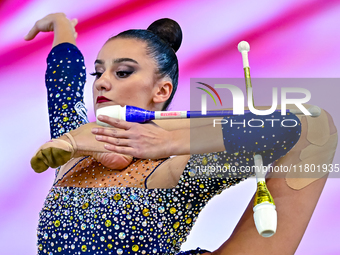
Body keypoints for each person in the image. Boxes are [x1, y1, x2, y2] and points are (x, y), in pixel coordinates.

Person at [26, 13, 337, 255]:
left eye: (122, 72)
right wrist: (62, 24)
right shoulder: (71, 151)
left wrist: (169, 137)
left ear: (162, 90)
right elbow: (63, 80)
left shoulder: (177, 169)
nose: (101, 83)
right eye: (99, 72)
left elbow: (305, 125)